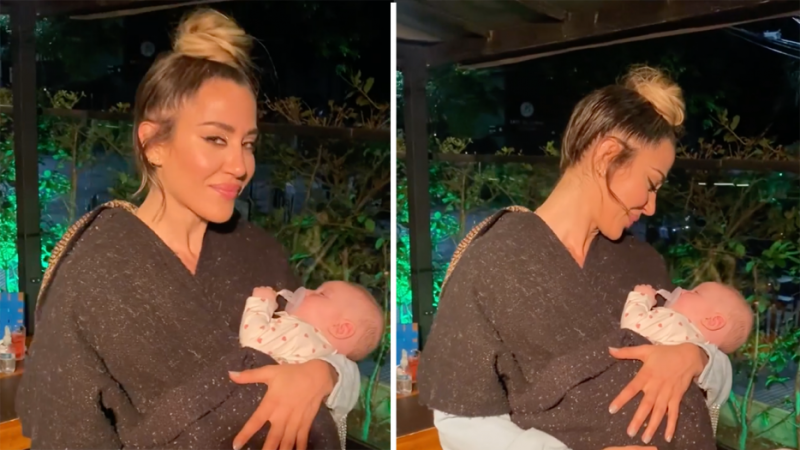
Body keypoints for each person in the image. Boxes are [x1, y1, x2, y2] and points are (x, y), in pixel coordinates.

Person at [17, 9, 359, 450]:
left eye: (248, 143)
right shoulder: (94, 269)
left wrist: (325, 375)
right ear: (153, 144)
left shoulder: (260, 253)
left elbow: (327, 351)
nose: (240, 165)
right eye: (216, 139)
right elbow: (62, 429)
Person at [417, 66, 732, 450]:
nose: (651, 206)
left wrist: (696, 358)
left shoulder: (642, 261)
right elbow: (460, 421)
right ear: (607, 155)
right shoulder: (494, 260)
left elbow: (702, 359)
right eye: (651, 184)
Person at [240, 283, 384, 365]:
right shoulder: (321, 358)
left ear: (341, 329)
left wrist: (262, 302)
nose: (307, 291)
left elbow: (252, 341)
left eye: (322, 294)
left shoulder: (302, 334)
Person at [623, 283, 753, 353]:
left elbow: (631, 327)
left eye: (695, 292)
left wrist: (642, 296)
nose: (683, 290)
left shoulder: (675, 324)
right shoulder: (696, 353)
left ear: (712, 321)